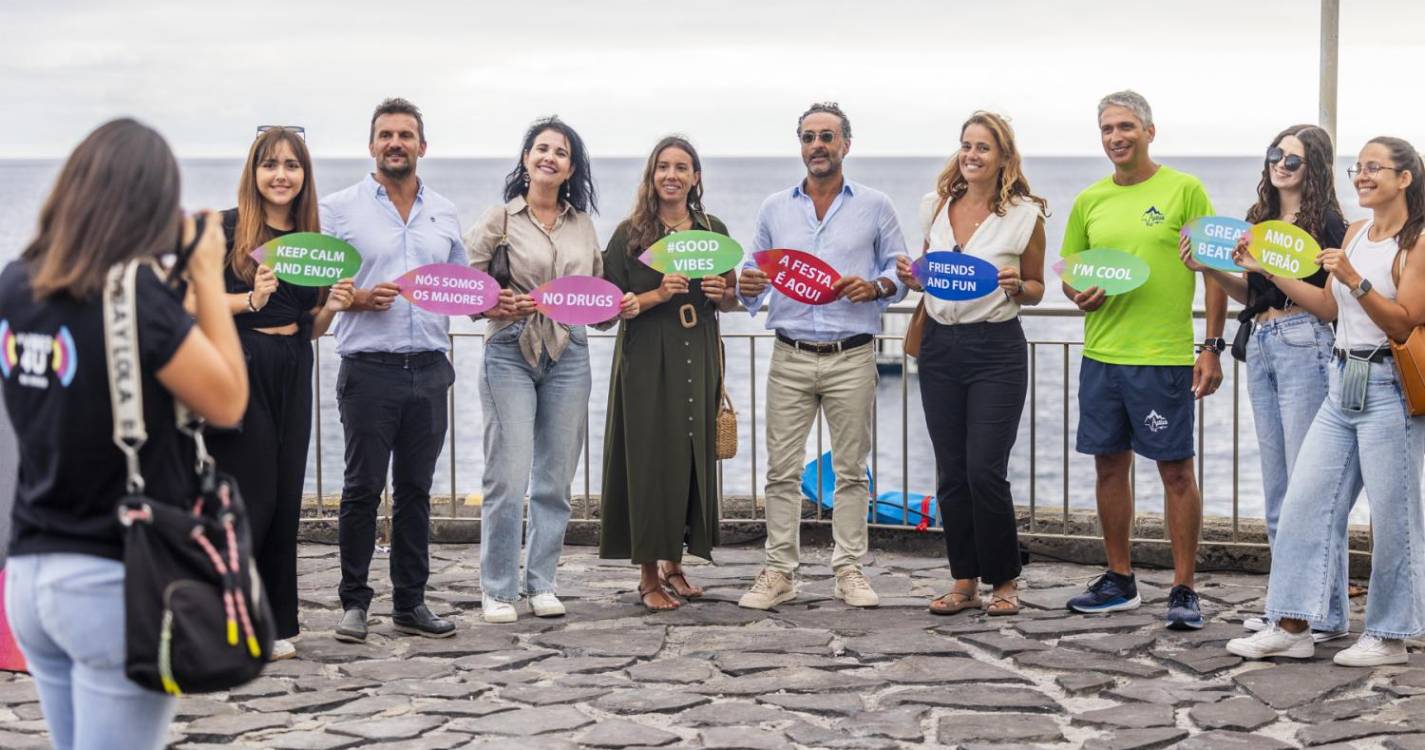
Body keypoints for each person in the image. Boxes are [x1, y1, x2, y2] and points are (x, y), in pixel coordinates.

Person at [1, 119, 248, 750]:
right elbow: (227, 401)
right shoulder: (133, 295)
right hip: (113, 577)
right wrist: (206, 275)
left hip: (30, 573)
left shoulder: (16, 284)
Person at [1228, 137, 1425, 666]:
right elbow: (1326, 307)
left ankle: (1389, 636)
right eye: (1359, 167)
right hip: (1341, 382)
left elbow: (1404, 323)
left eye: (1375, 168)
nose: (1362, 176)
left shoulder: (1417, 242)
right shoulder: (1357, 233)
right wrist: (1267, 269)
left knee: (1395, 515)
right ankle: (1292, 625)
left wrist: (1355, 281)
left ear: (1405, 178)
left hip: (1388, 386)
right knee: (1303, 504)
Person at [325, 98, 504, 643]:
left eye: (405, 135)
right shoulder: (338, 209)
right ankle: (354, 603)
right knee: (361, 489)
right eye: (386, 135)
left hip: (429, 369)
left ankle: (410, 603)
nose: (395, 143)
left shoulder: (443, 212)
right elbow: (317, 286)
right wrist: (356, 299)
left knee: (415, 492)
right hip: (367, 369)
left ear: (422, 146)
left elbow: (464, 289)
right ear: (371, 145)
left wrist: (500, 303)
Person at [1060, 91, 1226, 630]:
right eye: (1107, 128)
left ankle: (1184, 588)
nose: (1117, 137)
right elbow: (1071, 275)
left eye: (1126, 126)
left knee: (1176, 471)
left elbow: (1213, 272)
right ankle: (1119, 579)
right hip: (1101, 355)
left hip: (1163, 357)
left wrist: (1211, 346)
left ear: (1149, 131)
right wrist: (1079, 296)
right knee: (1109, 467)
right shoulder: (1089, 200)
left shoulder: (1184, 189)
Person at [735, 102, 908, 610]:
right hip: (789, 353)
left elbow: (899, 272)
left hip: (851, 354)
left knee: (851, 471)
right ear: (801, 145)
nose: (817, 145)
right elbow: (752, 278)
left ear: (845, 145)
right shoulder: (774, 208)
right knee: (781, 471)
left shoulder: (876, 206)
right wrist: (747, 287)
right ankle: (779, 571)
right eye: (809, 137)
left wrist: (876, 287)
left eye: (827, 137)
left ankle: (849, 569)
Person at [1178, 125, 1348, 641]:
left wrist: (1267, 269)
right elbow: (1250, 294)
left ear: (1313, 167)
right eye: (1276, 155)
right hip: (1264, 343)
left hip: (1305, 340)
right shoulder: (1259, 222)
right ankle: (1289, 607)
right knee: (1277, 488)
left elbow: (1330, 306)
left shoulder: (1328, 225)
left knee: (1309, 488)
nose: (1281, 165)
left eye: (1293, 160)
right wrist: (1211, 268)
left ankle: (1324, 613)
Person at [467, 117, 638, 624]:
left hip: (570, 351)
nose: (550, 157)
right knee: (507, 474)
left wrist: (620, 307)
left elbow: (598, 302)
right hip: (509, 349)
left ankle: (541, 583)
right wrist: (497, 304)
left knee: (556, 478)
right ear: (526, 159)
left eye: (561, 153)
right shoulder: (499, 218)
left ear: (570, 169)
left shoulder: (582, 224)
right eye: (541, 148)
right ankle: (499, 588)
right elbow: (468, 288)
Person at [203, 126, 354, 660]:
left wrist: (332, 306)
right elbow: (191, 302)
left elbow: (309, 325)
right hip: (241, 365)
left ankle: (273, 622)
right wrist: (250, 299)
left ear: (304, 176)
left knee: (285, 494)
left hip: (293, 363)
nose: (281, 175)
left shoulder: (310, 241)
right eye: (270, 164)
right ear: (254, 172)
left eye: (292, 165)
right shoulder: (224, 228)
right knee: (250, 496)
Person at [895, 111, 1047, 617]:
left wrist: (1017, 286)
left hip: (995, 349)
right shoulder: (935, 206)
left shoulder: (1025, 215)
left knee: (985, 469)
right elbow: (930, 273)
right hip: (940, 347)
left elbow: (1036, 287)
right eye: (966, 145)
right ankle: (964, 580)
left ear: (1003, 156)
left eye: (983, 147)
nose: (972, 155)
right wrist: (914, 278)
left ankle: (1004, 579)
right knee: (952, 472)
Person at [599, 136, 736, 612]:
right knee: (649, 459)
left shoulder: (713, 230)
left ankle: (675, 564)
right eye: (663, 167)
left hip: (698, 350)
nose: (671, 175)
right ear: (651, 175)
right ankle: (647, 576)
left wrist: (723, 294)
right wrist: (656, 295)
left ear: (696, 177)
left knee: (690, 456)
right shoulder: (630, 234)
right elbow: (607, 309)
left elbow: (733, 299)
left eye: (681, 167)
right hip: (647, 356)